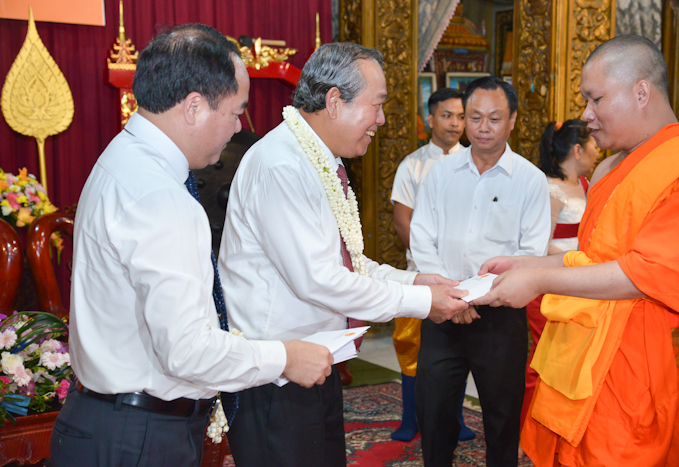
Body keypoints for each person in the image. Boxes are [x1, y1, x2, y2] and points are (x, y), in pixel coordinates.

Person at [50, 24, 334, 467]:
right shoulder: (160, 195)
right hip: (138, 436)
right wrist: (286, 357)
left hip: (107, 420)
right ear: (195, 106)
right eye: (236, 112)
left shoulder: (121, 158)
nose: (238, 128)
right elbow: (188, 351)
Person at [217, 42, 470, 467]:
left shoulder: (317, 159)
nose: (381, 120)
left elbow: (346, 262)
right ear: (335, 101)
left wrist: (415, 280)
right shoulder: (282, 165)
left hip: (316, 362)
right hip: (276, 377)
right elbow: (319, 280)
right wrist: (423, 302)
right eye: (377, 105)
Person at [474, 34, 679, 466]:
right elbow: (592, 255)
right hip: (581, 354)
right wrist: (526, 263)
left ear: (641, 92)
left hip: (642, 367)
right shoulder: (611, 166)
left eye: (596, 99)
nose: (586, 114)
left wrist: (539, 279)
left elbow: (644, 274)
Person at [410, 76, 550, 467]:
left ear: (513, 120)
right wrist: (452, 295)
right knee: (434, 412)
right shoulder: (440, 173)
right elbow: (421, 237)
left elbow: (530, 252)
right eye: (475, 117)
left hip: (499, 316)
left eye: (494, 118)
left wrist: (474, 295)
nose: (483, 127)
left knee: (502, 418)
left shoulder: (530, 180)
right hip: (442, 312)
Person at [390, 87, 474, 442]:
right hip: (421, 274)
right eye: (447, 115)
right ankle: (411, 419)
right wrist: (431, 265)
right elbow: (402, 222)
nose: (455, 123)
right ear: (430, 119)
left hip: (464, 276)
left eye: (461, 116)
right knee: (411, 346)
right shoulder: (412, 165)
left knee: (459, 350)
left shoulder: (475, 162)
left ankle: (456, 419)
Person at [520, 119, 598, 430]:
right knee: (543, 354)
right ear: (578, 150)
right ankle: (527, 427)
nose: (598, 151)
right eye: (593, 145)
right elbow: (540, 244)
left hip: (579, 280)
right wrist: (575, 259)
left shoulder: (586, 184)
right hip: (551, 282)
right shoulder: (549, 188)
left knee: (569, 356)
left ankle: (556, 424)